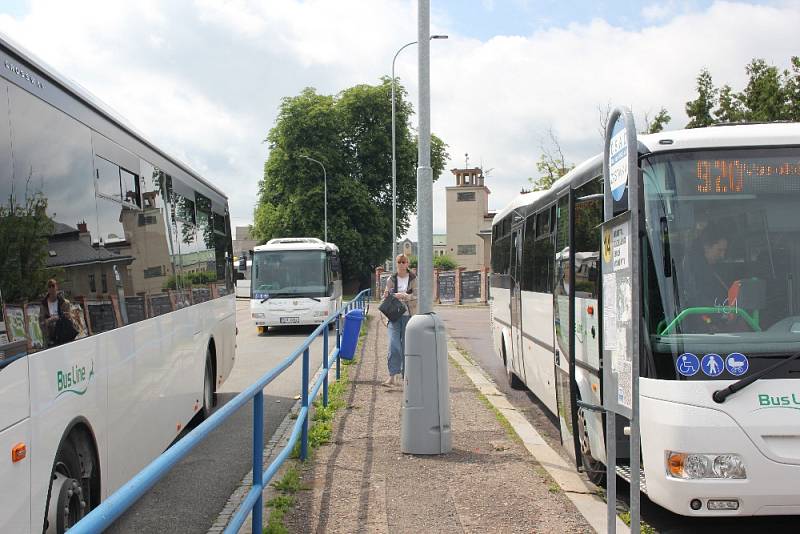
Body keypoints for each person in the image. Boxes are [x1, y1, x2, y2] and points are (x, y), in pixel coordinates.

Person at [381, 254, 417, 387]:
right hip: (393, 315)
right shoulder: (392, 278)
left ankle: (405, 376)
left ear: (408, 264)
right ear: (396, 264)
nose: (402, 264)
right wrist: (386, 295)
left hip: (409, 315)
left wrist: (405, 296)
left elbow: (417, 295)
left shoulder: (413, 278)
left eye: (404, 262)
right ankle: (392, 375)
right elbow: (386, 294)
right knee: (393, 344)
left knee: (406, 346)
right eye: (399, 262)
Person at [40, 279, 72, 347]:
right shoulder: (43, 304)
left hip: (63, 337)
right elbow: (41, 322)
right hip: (49, 338)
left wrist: (56, 318)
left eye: (53, 285)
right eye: (49, 286)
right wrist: (47, 321)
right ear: (47, 289)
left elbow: (69, 318)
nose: (51, 288)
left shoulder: (65, 303)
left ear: (56, 287)